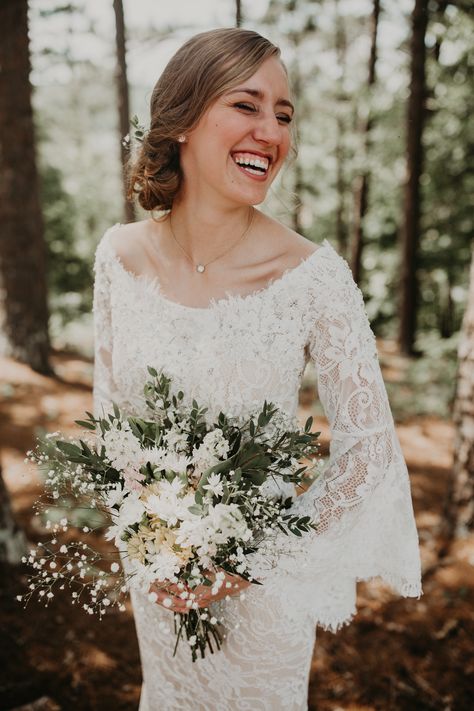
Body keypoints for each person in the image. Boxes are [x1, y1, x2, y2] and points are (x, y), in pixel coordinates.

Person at [92, 27, 422, 711]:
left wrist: (242, 558)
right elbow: (111, 424)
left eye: (283, 113)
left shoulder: (313, 277)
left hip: (263, 597)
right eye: (247, 105)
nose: (270, 130)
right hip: (157, 584)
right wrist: (153, 536)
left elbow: (370, 455)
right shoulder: (118, 257)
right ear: (182, 119)